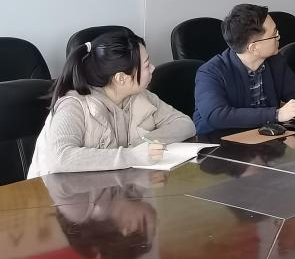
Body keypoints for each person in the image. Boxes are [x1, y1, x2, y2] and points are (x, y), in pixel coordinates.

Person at [27, 29, 195, 178]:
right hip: (55, 197)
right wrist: (132, 155)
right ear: (121, 78)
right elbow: (59, 157)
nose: (152, 68)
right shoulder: (74, 105)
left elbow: (185, 124)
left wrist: (144, 145)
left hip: (113, 188)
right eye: (146, 65)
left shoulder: (140, 96)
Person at [193, 4, 295, 135]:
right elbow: (217, 115)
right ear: (253, 48)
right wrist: (276, 114)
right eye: (274, 34)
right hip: (219, 140)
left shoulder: (275, 61)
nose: (279, 37)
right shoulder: (210, 72)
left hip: (263, 136)